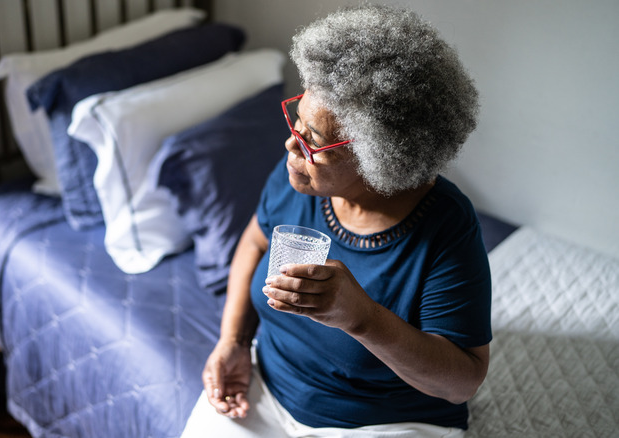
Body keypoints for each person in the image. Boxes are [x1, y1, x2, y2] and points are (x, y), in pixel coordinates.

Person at [181, 4, 488, 437]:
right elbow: (253, 243)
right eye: (298, 120)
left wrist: (360, 317)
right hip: (263, 390)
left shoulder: (446, 226)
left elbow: (462, 383)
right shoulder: (297, 176)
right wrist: (232, 342)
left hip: (382, 422)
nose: (292, 143)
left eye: (315, 141)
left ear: (379, 159)